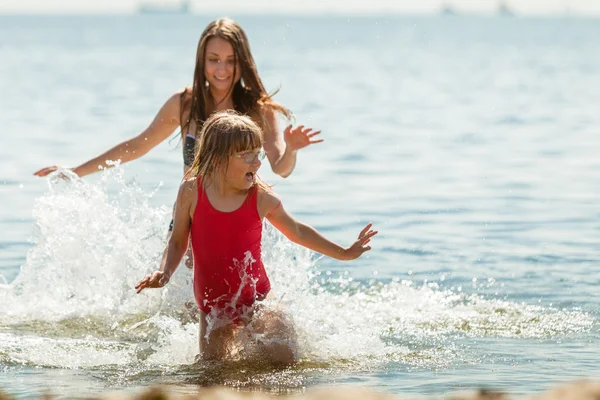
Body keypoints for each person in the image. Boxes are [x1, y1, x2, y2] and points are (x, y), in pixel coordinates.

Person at [134, 111, 378, 364]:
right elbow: (177, 242)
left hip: (258, 299)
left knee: (284, 359)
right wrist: (164, 273)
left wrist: (346, 253)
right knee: (211, 372)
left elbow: (297, 230)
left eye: (258, 154)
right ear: (217, 159)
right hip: (214, 310)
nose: (257, 163)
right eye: (246, 155)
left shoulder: (260, 198)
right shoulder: (191, 191)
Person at [33, 17, 321, 180]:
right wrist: (74, 171)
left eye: (231, 60)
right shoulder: (184, 104)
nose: (221, 69)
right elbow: (136, 147)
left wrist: (292, 149)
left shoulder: (259, 109)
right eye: (213, 59)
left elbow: (280, 168)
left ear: (242, 62)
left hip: (242, 220)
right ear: (202, 61)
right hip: (191, 216)